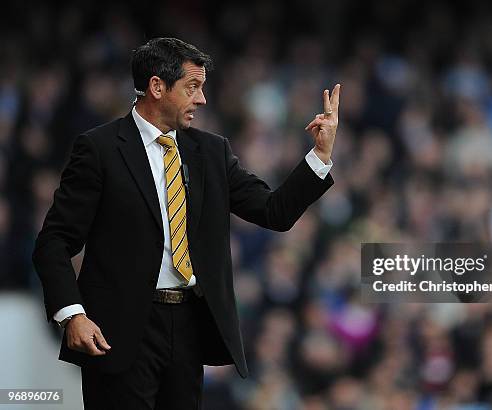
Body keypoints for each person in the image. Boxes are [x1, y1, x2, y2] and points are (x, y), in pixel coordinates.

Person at [32, 37, 339, 409]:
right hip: (120, 331)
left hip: (190, 327)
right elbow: (55, 241)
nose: (202, 99)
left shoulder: (211, 152)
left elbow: (274, 212)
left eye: (203, 88)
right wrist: (72, 315)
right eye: (192, 87)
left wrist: (320, 155)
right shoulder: (99, 149)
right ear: (157, 87)